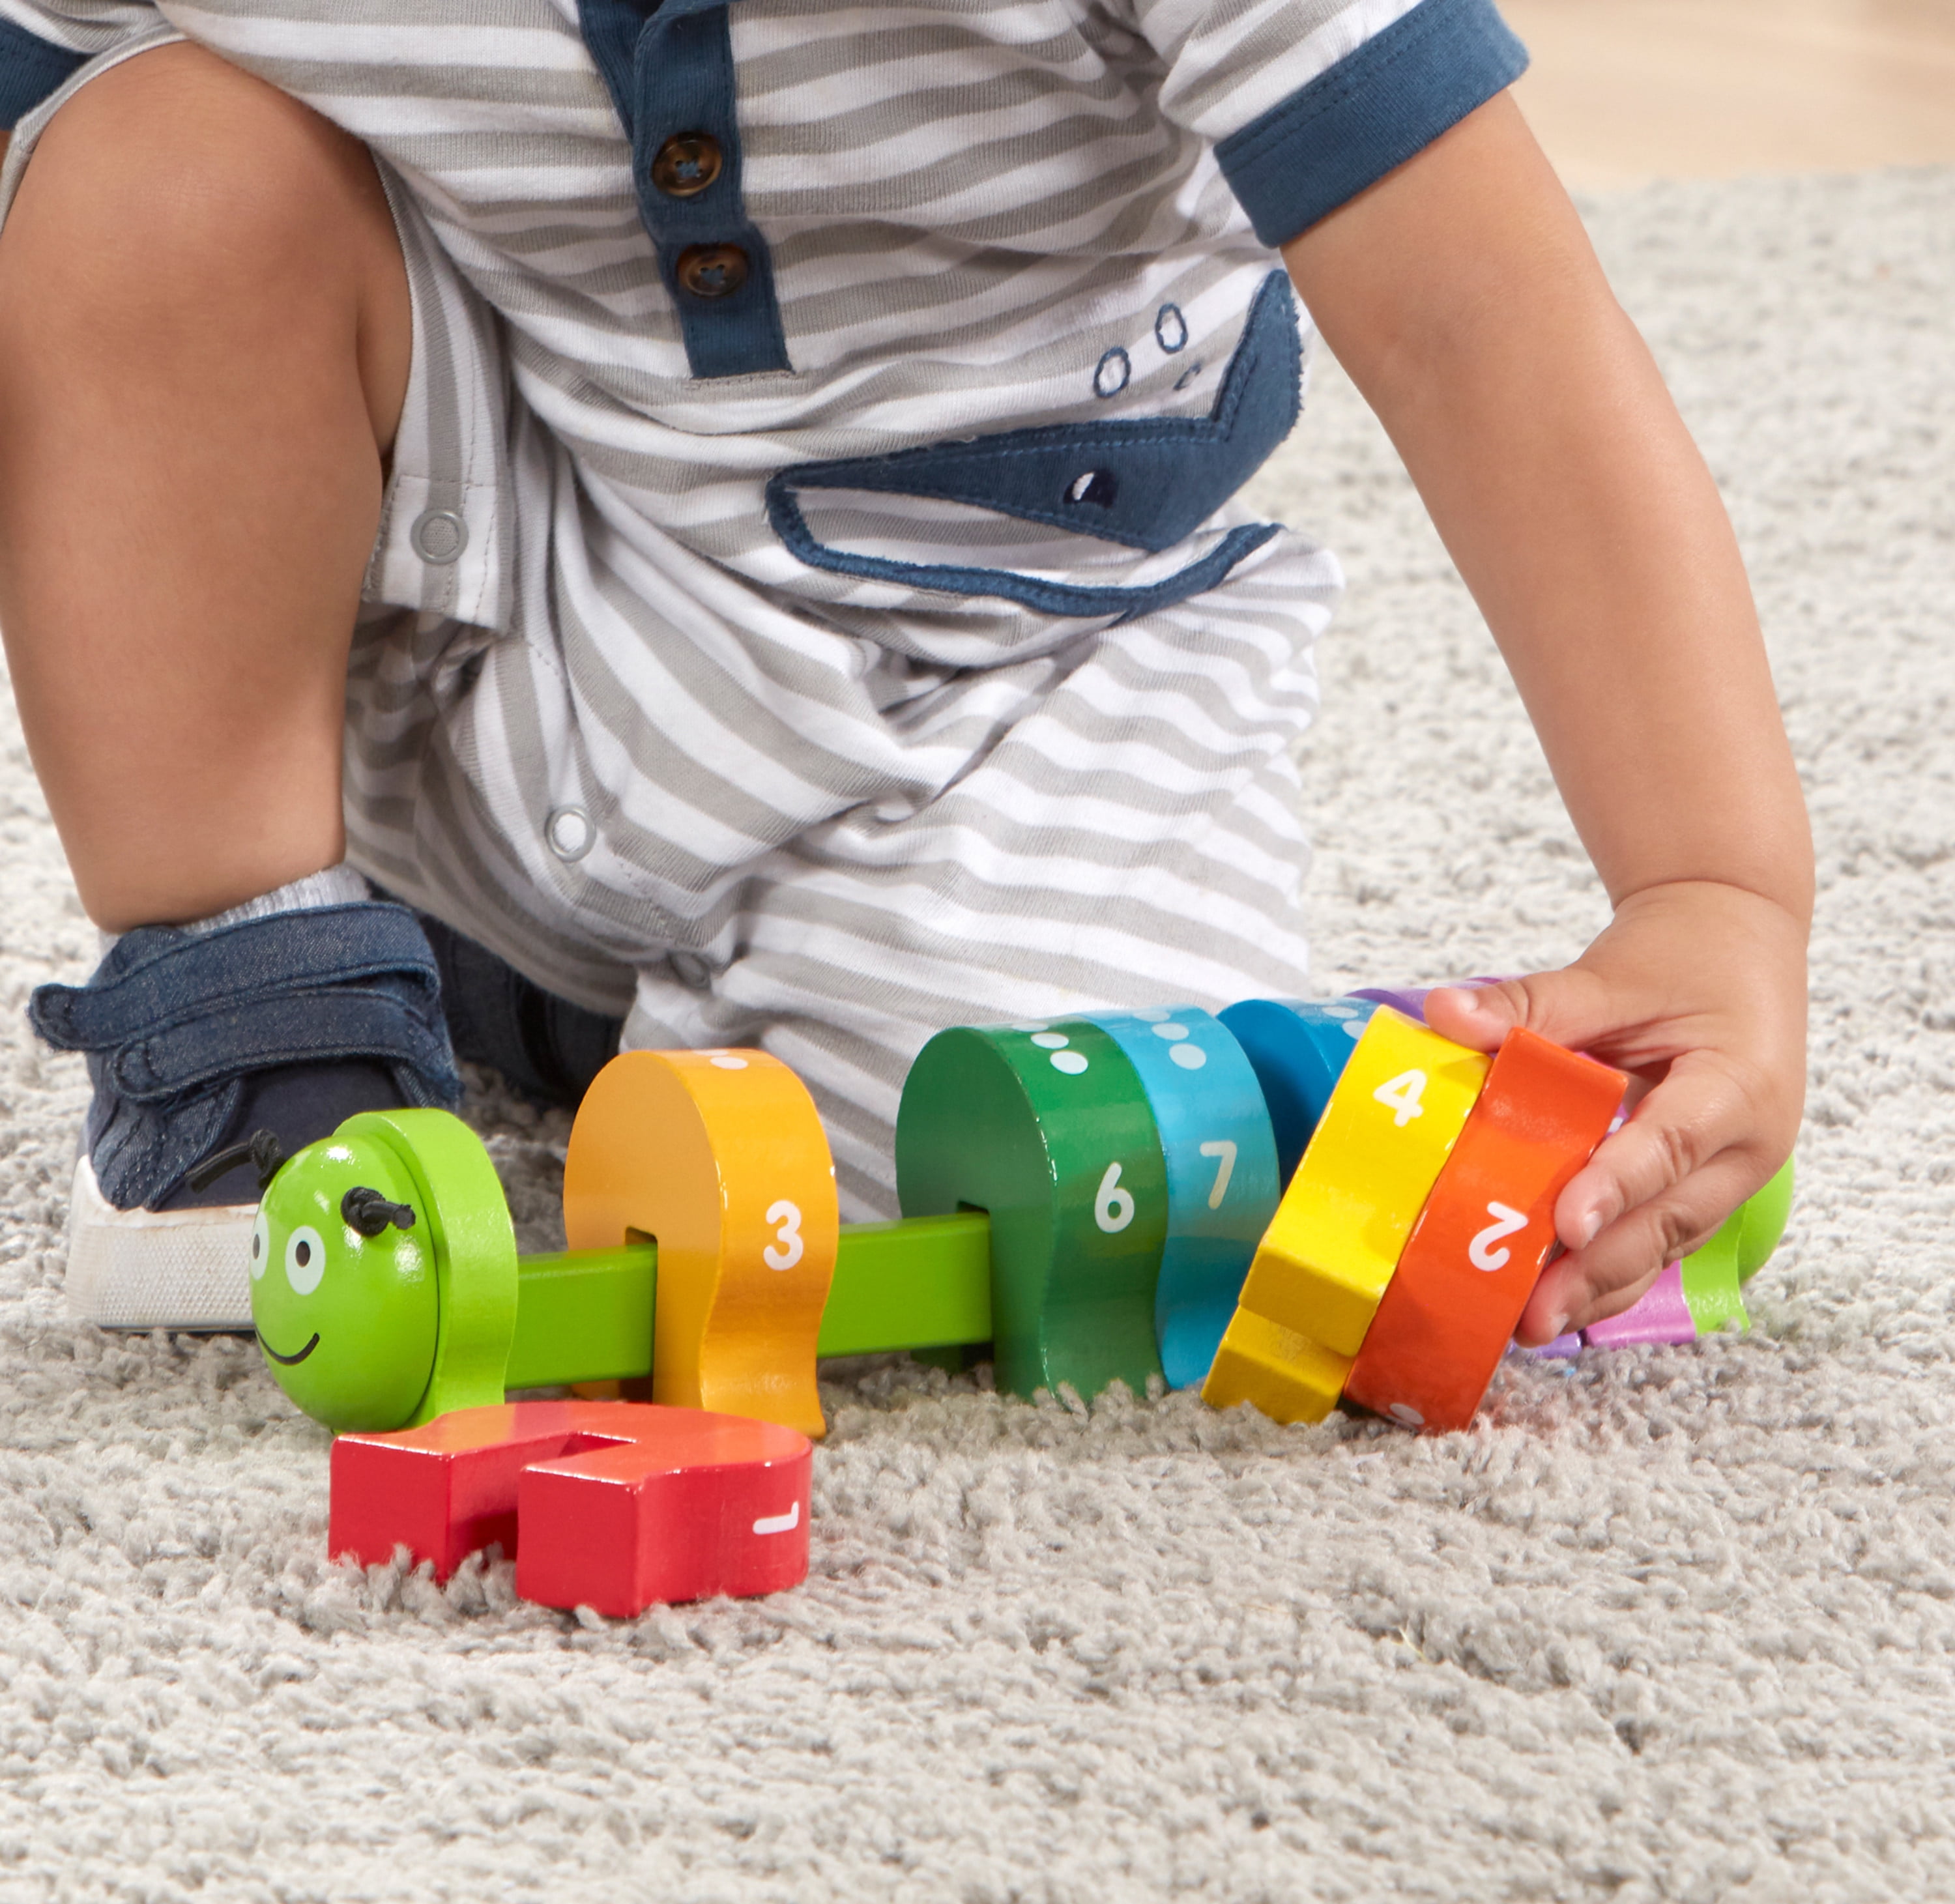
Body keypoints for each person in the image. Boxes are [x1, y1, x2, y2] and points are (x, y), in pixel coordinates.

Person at [0, 0, 1810, 1346]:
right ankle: (259, 990)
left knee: (1061, 1186)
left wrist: (1711, 886)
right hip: (500, 561)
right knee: (150, 175)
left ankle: (530, 995)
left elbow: (1486, 322)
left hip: (1007, 655)